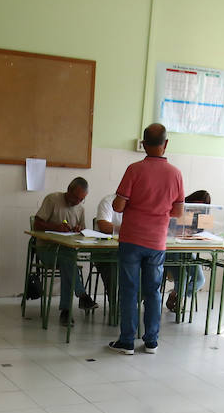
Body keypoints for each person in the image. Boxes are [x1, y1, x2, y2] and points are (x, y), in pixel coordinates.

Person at [109, 123, 185, 355]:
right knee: (153, 291)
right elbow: (178, 212)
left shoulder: (134, 169)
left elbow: (118, 205)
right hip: (157, 241)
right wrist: (159, 210)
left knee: (129, 290)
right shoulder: (176, 174)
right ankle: (151, 341)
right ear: (166, 144)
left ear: (143, 144)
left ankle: (127, 341)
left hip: (132, 239)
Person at [33, 177, 97, 326]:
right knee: (68, 261)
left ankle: (67, 312)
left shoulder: (80, 209)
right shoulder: (52, 199)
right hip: (46, 250)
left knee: (67, 261)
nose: (77, 202)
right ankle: (81, 295)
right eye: (75, 197)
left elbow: (82, 231)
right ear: (68, 190)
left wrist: (78, 230)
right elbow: (37, 224)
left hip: (67, 252)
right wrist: (55, 227)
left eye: (82, 199)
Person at [165, 189, 212, 314]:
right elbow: (168, 230)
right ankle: (178, 300)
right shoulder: (178, 209)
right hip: (171, 250)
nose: (198, 209)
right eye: (197, 204)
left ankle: (175, 294)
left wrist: (197, 234)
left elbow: (205, 233)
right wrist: (177, 232)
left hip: (187, 251)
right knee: (183, 277)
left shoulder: (203, 215)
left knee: (200, 280)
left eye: (202, 206)